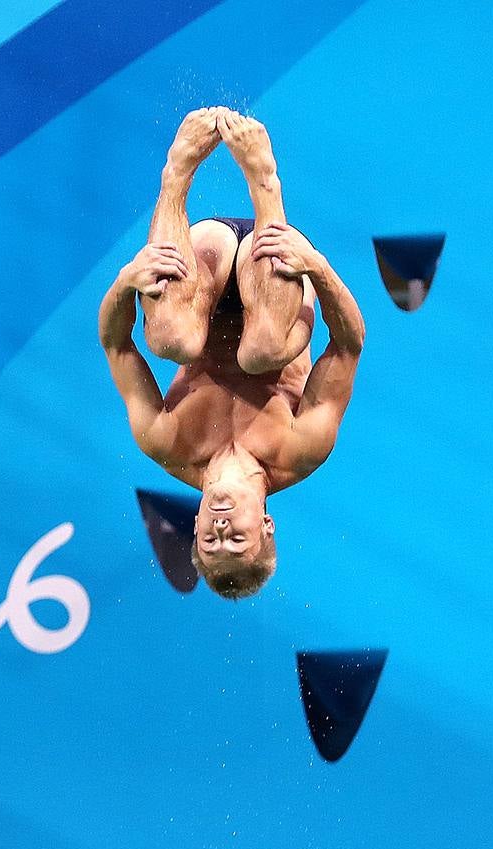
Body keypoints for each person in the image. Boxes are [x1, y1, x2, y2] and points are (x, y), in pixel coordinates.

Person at [99, 108, 365, 598]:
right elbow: (348, 346)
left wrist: (126, 281)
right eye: (236, 539)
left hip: (205, 273)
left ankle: (176, 174)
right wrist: (318, 268)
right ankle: (265, 181)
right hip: (277, 280)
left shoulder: (167, 443)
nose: (221, 528)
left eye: (209, 539)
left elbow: (117, 345)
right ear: (266, 525)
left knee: (174, 341)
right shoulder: (299, 450)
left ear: (195, 524)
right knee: (262, 351)